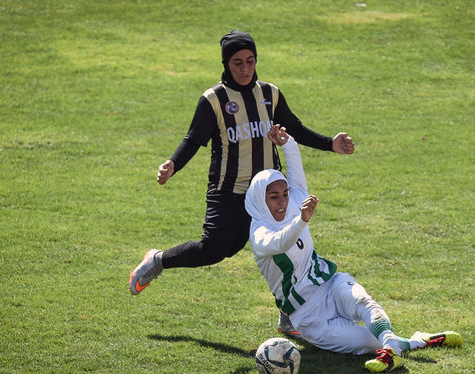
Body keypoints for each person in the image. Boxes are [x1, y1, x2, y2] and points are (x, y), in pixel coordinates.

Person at [129, 30, 354, 337]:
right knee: (215, 250)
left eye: (250, 61)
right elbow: (194, 139)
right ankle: (157, 260)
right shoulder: (214, 100)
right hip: (228, 191)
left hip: (270, 193)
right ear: (226, 64)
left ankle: (289, 316)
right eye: (238, 63)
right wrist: (172, 165)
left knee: (287, 250)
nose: (245, 68)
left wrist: (331, 144)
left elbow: (295, 128)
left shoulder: (269, 93)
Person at [244, 127, 462, 373]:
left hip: (330, 284)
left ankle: (391, 351)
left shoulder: (294, 202)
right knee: (369, 342)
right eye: (274, 197)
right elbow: (280, 243)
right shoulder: (259, 233)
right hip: (308, 317)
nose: (283, 201)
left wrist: (289, 144)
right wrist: (301, 220)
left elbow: (296, 177)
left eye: (284, 194)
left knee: (364, 303)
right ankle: (418, 341)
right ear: (260, 200)